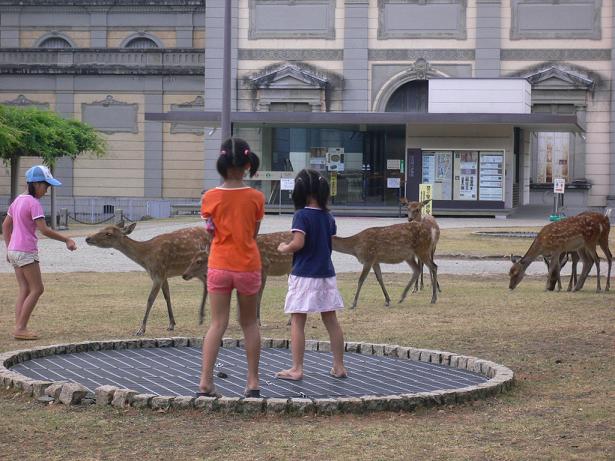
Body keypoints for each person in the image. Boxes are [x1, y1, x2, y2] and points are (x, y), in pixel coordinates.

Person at [197, 137, 264, 398]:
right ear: (248, 165)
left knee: (217, 324)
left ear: (221, 164)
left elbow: (211, 233)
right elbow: (253, 233)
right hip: (247, 264)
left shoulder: (210, 197)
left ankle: (205, 381)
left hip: (219, 264)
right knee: (249, 323)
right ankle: (253, 382)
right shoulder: (256, 197)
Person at [275, 168, 347, 381]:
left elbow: (299, 243)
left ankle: (296, 368)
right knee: (331, 320)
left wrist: (284, 248)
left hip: (304, 275)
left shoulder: (301, 215)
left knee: (298, 320)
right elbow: (329, 240)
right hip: (326, 274)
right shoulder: (328, 217)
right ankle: (339, 366)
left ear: (302, 191)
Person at [2, 165, 77, 340]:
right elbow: (44, 230)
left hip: (14, 251)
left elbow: (6, 226)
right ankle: (21, 328)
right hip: (26, 251)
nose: (47, 190)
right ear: (35, 184)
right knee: (37, 289)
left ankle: (19, 326)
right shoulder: (33, 203)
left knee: (24, 288)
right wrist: (66, 239)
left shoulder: (18, 200)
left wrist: (9, 248)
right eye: (46, 185)